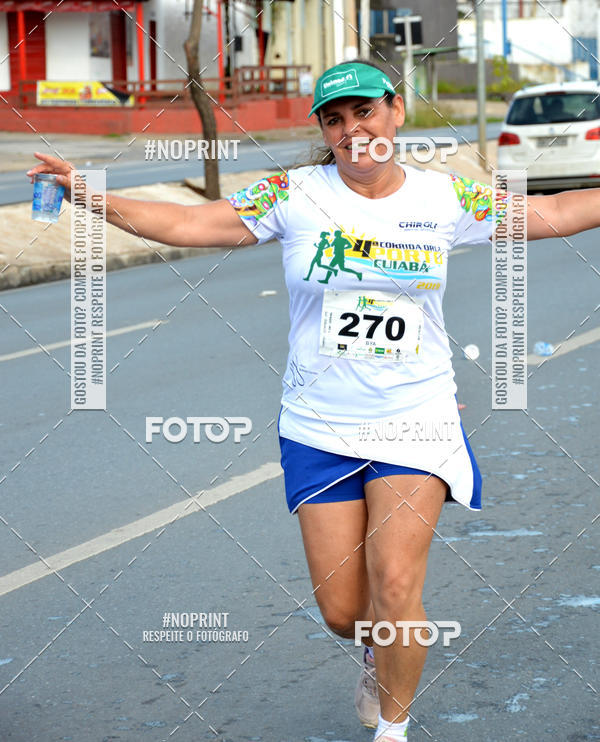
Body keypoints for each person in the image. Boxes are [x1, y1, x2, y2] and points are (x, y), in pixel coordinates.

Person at [27, 60, 600, 741]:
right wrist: (88, 195)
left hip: (416, 420)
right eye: (335, 119)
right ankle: (375, 652)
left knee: (396, 586)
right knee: (342, 611)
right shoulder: (293, 195)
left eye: (365, 112)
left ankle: (394, 729)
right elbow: (187, 223)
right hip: (319, 426)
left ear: (396, 111)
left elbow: (554, 211)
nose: (353, 129)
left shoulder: (444, 198)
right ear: (325, 131)